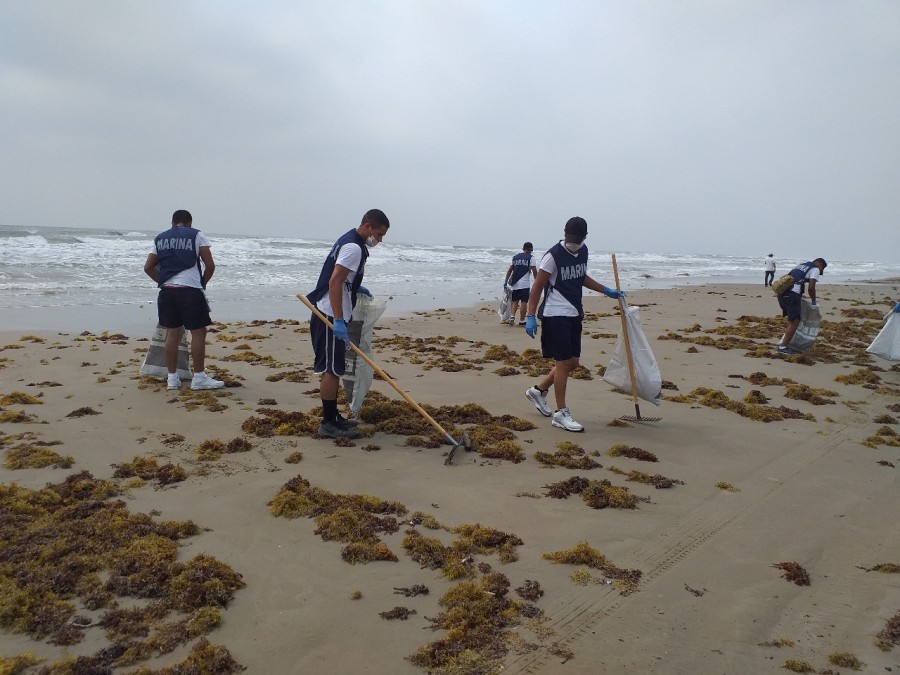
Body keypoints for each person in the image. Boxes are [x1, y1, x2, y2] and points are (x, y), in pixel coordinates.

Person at [523, 217, 624, 432]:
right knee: (562, 363)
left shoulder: (583, 251)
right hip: (555, 314)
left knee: (573, 362)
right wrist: (530, 315)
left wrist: (605, 290)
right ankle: (561, 413)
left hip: (574, 312)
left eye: (578, 240)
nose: (574, 243)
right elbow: (538, 285)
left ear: (585, 238)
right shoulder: (552, 256)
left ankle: (539, 390)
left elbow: (581, 277)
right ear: (564, 234)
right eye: (572, 240)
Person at [307, 209, 390, 439]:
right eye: (379, 234)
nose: (380, 239)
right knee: (331, 370)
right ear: (367, 226)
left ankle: (334, 418)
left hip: (334, 312)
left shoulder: (351, 241)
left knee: (335, 367)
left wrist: (354, 288)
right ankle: (327, 424)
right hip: (329, 316)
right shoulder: (353, 247)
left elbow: (341, 280)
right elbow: (335, 280)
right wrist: (339, 320)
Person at [143, 210, 224, 391]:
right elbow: (209, 265)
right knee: (198, 332)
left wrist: (162, 281)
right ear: (189, 222)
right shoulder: (196, 234)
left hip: (167, 292)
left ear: (172, 223)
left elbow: (148, 267)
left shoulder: (160, 238)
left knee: (172, 332)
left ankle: (172, 378)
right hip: (190, 290)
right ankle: (199, 377)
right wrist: (202, 283)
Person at [776, 257, 827, 354]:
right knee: (795, 321)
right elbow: (811, 288)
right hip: (792, 295)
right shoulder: (815, 269)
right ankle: (782, 348)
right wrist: (813, 301)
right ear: (820, 265)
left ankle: (786, 343)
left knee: (792, 320)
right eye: (821, 270)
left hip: (782, 294)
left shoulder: (801, 266)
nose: (819, 272)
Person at [503, 242, 537, 326]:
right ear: (530, 250)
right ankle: (522, 320)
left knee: (515, 301)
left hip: (514, 283)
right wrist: (537, 280)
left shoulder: (515, 257)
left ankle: (512, 316)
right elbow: (534, 270)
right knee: (524, 302)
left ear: (523, 249)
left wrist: (506, 281)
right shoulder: (531, 258)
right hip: (524, 284)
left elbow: (510, 270)